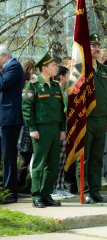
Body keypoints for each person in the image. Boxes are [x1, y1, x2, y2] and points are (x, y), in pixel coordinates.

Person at [22, 51, 65, 208]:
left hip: (55, 129)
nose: (56, 68)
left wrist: (62, 129)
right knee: (39, 163)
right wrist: (32, 128)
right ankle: (36, 195)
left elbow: (61, 109)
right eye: (54, 65)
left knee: (54, 164)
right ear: (44, 68)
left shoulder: (55, 86)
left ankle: (47, 194)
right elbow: (27, 109)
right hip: (40, 129)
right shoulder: (33, 85)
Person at [76, 34, 107, 204]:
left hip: (101, 119)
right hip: (86, 120)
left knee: (97, 158)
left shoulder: (104, 70)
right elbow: (73, 96)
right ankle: (85, 192)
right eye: (92, 45)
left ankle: (96, 191)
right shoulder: (80, 69)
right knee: (85, 158)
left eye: (98, 46)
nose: (96, 49)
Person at [0, 45, 24, 204]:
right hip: (4, 118)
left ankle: (10, 192)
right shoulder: (7, 68)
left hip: (10, 119)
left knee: (9, 156)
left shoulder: (14, 66)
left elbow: (2, 84)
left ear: (4, 56)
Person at [51, 66, 75, 199]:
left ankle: (60, 185)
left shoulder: (64, 91)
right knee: (56, 160)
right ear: (61, 77)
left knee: (62, 161)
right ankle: (53, 187)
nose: (70, 77)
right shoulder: (56, 90)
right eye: (68, 75)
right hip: (59, 129)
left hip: (64, 129)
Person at [17, 59, 36, 191]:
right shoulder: (24, 94)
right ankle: (20, 185)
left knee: (31, 159)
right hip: (24, 129)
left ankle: (27, 184)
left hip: (31, 128)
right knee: (24, 159)